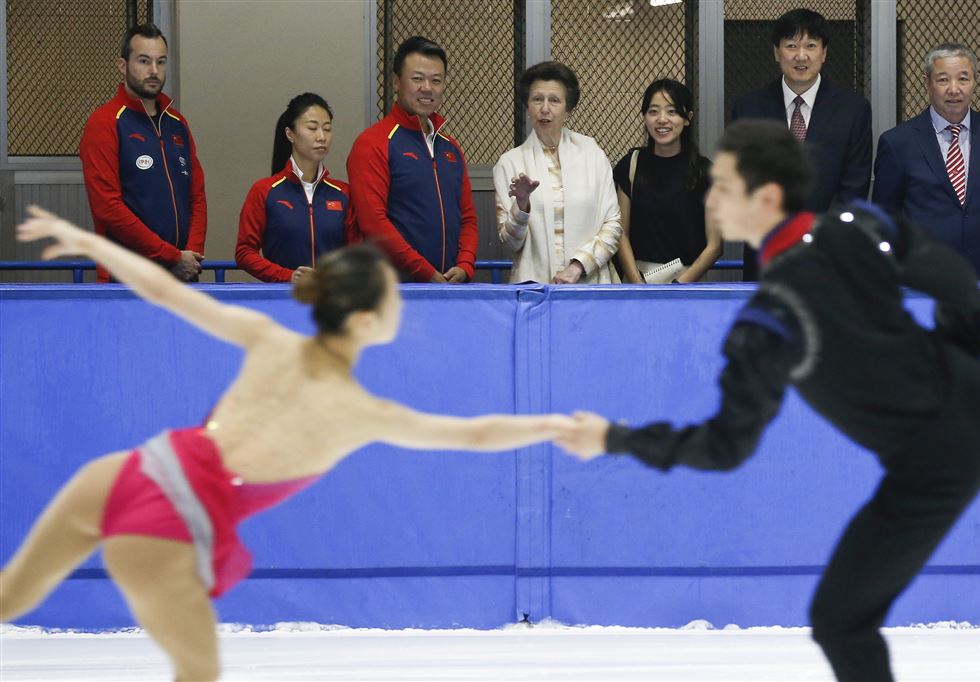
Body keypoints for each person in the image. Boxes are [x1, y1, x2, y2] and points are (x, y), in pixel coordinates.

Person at [1, 206, 569, 681]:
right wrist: (554, 425)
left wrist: (87, 242)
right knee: (197, 672)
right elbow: (473, 434)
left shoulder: (269, 340)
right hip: (169, 522)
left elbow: (165, 292)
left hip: (121, 473)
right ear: (367, 320)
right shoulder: (359, 413)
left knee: (9, 597)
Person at [556, 120, 980, 682]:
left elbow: (724, 447)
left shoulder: (769, 318)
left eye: (725, 187)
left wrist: (615, 438)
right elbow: (957, 282)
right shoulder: (857, 225)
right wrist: (956, 380)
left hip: (934, 458)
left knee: (840, 621)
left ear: (767, 197)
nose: (712, 199)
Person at [731, 8, 871, 280]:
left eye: (811, 46)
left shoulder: (853, 109)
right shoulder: (749, 108)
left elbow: (854, 186)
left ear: (824, 52)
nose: (801, 55)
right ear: (776, 52)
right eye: (791, 46)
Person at [873, 43, 980, 281]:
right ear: (927, 82)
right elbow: (884, 215)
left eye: (963, 79)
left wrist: (979, 237)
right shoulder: (897, 143)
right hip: (921, 276)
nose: (954, 89)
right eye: (943, 80)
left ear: (975, 80)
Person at [80, 23, 206, 283]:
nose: (154, 71)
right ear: (122, 65)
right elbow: (108, 208)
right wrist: (171, 257)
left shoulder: (177, 123)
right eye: (144, 61)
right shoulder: (104, 123)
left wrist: (190, 256)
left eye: (161, 62)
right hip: (127, 278)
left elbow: (197, 197)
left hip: (181, 275)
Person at [346, 36, 478, 283]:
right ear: (396, 82)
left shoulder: (450, 148)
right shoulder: (373, 143)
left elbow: (468, 218)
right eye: (417, 79)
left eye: (436, 80)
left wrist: (465, 265)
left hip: (450, 288)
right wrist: (426, 273)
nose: (427, 88)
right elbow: (374, 224)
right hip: (392, 290)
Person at [492, 61, 622, 284]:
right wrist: (521, 205)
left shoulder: (592, 153)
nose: (545, 108)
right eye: (537, 99)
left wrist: (578, 266)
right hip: (535, 289)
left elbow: (613, 225)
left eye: (554, 100)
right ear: (528, 107)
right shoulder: (510, 163)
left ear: (568, 109)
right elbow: (510, 243)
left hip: (589, 285)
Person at [235, 93, 355, 283]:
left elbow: (356, 253)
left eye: (327, 129)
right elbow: (244, 252)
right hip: (283, 295)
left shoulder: (343, 194)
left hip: (333, 295)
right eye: (312, 128)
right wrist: (287, 276)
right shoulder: (265, 191)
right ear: (290, 134)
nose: (322, 137)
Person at [613, 79, 720, 284]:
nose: (662, 119)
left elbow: (715, 246)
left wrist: (679, 286)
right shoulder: (631, 165)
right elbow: (621, 233)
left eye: (672, 111)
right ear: (644, 117)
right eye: (653, 111)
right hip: (638, 281)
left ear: (687, 118)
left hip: (688, 284)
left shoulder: (706, 172)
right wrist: (638, 285)